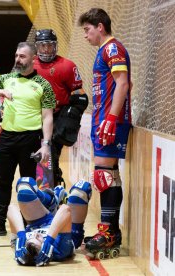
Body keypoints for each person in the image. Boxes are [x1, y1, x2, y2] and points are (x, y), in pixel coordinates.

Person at [0, 42, 56, 237]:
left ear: (33, 58)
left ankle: (30, 223)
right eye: (17, 55)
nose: (18, 59)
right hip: (7, 139)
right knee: (3, 181)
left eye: (22, 56)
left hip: (30, 140)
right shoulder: (7, 79)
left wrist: (45, 144)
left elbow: (48, 117)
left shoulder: (43, 85)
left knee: (27, 184)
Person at [78, 8, 131, 255]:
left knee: (103, 175)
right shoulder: (103, 51)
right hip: (103, 121)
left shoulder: (112, 48)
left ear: (100, 26)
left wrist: (111, 118)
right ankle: (111, 231)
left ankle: (108, 231)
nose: (86, 35)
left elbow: (123, 83)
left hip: (111, 121)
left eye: (87, 30)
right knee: (109, 175)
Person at [33, 29, 87, 187]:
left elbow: (80, 96)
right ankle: (46, 186)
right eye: (42, 46)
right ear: (37, 47)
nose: (46, 49)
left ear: (55, 46)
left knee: (50, 155)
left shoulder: (67, 66)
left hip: (57, 117)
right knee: (34, 157)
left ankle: (51, 188)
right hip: (33, 118)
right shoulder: (28, 64)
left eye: (50, 45)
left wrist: (71, 115)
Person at [8, 177, 92, 266]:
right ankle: (51, 200)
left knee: (24, 185)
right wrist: (49, 240)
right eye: (38, 239)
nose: (35, 234)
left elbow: (11, 208)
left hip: (41, 222)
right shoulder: (60, 251)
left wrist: (21, 235)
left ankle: (51, 200)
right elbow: (65, 209)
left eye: (31, 238)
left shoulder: (23, 249)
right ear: (44, 252)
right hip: (68, 227)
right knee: (81, 190)